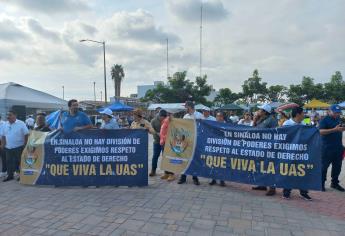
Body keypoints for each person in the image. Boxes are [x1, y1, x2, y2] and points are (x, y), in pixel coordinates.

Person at [282, 107, 312, 200]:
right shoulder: (287, 124)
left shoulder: (304, 123)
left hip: (302, 153)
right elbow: (284, 138)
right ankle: (286, 191)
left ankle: (304, 192)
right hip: (290, 152)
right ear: (298, 114)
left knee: (302, 172)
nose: (304, 115)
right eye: (303, 113)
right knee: (289, 172)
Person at [252, 103, 278, 196]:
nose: (258, 111)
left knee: (269, 166)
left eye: (260, 110)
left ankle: (272, 187)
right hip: (260, 146)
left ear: (264, 112)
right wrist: (254, 120)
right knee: (261, 165)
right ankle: (262, 184)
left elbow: (275, 133)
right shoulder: (261, 119)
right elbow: (254, 130)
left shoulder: (272, 120)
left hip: (268, 147)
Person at [319, 105, 345, 192]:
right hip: (327, 148)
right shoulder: (324, 120)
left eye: (338, 112)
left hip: (338, 148)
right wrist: (335, 129)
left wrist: (342, 129)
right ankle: (321, 183)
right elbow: (320, 132)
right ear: (329, 111)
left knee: (337, 167)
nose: (337, 114)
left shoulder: (338, 119)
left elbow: (339, 129)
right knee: (324, 167)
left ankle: (334, 183)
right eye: (335, 112)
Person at [178, 101, 202, 185]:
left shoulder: (199, 115)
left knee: (194, 160)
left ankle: (195, 177)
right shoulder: (185, 116)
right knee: (184, 159)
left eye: (186, 107)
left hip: (195, 141)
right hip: (186, 141)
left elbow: (201, 128)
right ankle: (183, 177)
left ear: (190, 107)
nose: (185, 109)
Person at [1, 110, 29, 182]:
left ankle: (22, 176)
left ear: (15, 115)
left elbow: (26, 134)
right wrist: (3, 145)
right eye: (7, 115)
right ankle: (10, 175)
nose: (8, 117)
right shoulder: (5, 124)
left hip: (18, 146)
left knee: (20, 162)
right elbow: (3, 135)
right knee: (9, 161)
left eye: (10, 115)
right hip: (8, 147)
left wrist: (25, 145)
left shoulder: (21, 123)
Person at [209, 111, 227, 187]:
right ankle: (214, 179)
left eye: (220, 116)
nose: (218, 118)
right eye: (217, 116)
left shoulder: (227, 125)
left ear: (223, 117)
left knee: (222, 164)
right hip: (214, 147)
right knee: (214, 163)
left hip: (223, 147)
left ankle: (222, 180)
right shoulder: (213, 124)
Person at [159, 109, 175, 181]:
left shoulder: (168, 120)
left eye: (160, 116)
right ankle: (166, 173)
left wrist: (165, 138)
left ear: (163, 116)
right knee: (165, 158)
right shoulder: (163, 121)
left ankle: (171, 174)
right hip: (163, 142)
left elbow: (171, 131)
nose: (159, 117)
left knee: (169, 158)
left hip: (168, 142)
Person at [150, 109, 166, 177]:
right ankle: (153, 170)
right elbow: (151, 130)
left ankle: (167, 172)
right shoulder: (153, 121)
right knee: (155, 156)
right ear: (159, 115)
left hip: (165, 142)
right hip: (157, 141)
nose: (164, 118)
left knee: (165, 157)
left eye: (165, 117)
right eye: (162, 117)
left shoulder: (166, 120)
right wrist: (157, 133)